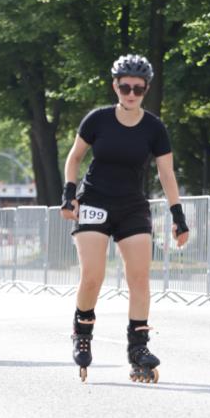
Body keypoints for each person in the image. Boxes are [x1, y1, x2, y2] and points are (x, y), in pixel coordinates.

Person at [61, 54, 189, 382]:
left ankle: (138, 348)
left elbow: (166, 173)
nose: (131, 94)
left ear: (146, 89)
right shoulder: (97, 120)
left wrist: (178, 215)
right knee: (93, 275)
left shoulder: (154, 128)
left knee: (139, 277)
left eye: (138, 88)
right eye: (125, 87)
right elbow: (75, 158)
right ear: (115, 86)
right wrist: (68, 194)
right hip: (95, 201)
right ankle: (83, 331)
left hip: (132, 205)